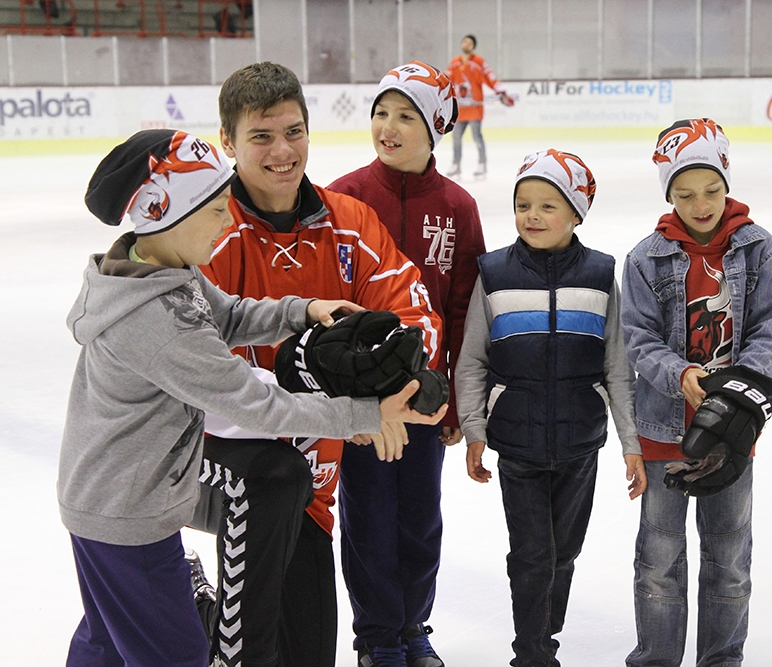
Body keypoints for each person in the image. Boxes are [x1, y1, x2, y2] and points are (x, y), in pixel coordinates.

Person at [58, 129, 441, 667]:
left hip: (113, 502)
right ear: (167, 214)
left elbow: (232, 315)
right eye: (216, 210)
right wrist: (366, 414)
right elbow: (257, 404)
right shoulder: (156, 320)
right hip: (128, 516)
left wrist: (303, 309)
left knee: (106, 643)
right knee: (177, 656)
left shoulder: (163, 272)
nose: (226, 222)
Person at [190, 61, 443, 667]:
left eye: (294, 132)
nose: (283, 152)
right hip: (230, 469)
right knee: (248, 649)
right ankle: (195, 601)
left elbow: (413, 315)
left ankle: (200, 606)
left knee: (307, 650)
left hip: (313, 482)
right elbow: (198, 369)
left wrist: (394, 388)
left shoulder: (350, 222)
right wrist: (349, 410)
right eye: (261, 136)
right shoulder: (205, 230)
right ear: (228, 142)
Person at [326, 60, 487, 667]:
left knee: (419, 517)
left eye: (405, 116)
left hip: (425, 397)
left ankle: (413, 627)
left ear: (436, 127)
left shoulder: (457, 206)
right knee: (367, 516)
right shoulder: (342, 196)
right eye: (381, 113)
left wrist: (457, 400)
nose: (387, 127)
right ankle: (376, 638)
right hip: (361, 400)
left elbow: (463, 307)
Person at [455, 149, 643, 667]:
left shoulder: (600, 274)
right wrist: (474, 429)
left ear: (577, 213)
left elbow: (617, 365)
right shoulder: (494, 273)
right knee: (533, 553)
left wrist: (630, 442)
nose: (532, 216)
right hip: (517, 443)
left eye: (547, 205)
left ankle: (545, 636)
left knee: (565, 552)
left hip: (581, 443)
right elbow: (472, 360)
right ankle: (533, 653)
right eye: (523, 205)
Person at [619, 119, 772, 667]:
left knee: (729, 560)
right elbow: (637, 337)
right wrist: (679, 374)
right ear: (669, 196)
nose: (701, 205)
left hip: (732, 432)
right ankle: (657, 659)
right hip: (662, 431)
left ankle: (722, 660)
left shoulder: (759, 249)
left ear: (727, 184)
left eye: (712, 190)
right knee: (659, 560)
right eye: (685, 194)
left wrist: (737, 393)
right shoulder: (645, 258)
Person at [445, 34, 513, 178]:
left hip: (474, 108)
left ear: (473, 46)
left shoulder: (479, 62)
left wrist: (500, 90)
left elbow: (490, 77)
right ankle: (456, 164)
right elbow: (447, 81)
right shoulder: (454, 62)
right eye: (465, 41)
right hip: (460, 109)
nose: (467, 44)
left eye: (470, 43)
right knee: (456, 138)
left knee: (477, 137)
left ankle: (482, 164)